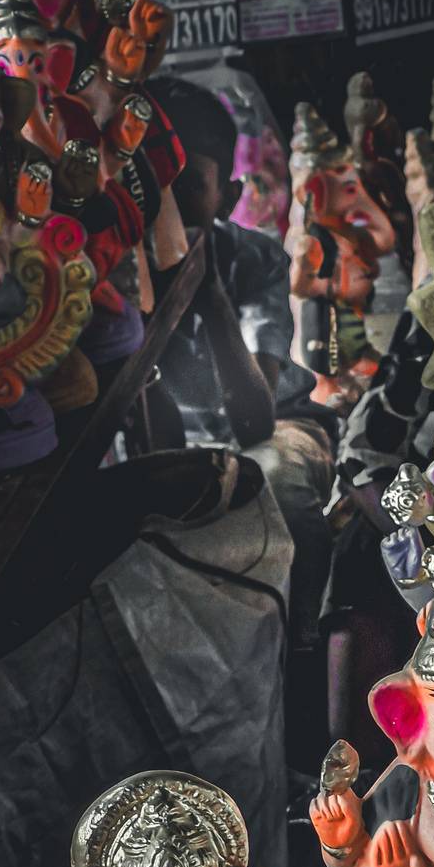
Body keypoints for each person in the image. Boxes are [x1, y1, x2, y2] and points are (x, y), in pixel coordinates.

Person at [148, 75, 336, 650]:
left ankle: (306, 639)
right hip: (178, 443)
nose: (166, 205)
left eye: (188, 186)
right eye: (152, 182)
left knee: (276, 478)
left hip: (279, 421)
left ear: (227, 200)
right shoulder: (118, 266)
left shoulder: (253, 260)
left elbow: (254, 421)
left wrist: (206, 296)